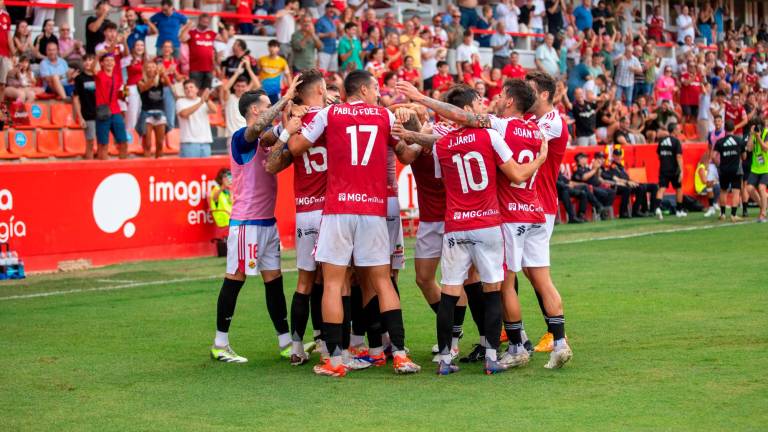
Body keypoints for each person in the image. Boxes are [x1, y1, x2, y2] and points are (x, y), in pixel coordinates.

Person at [290, 70, 422, 377]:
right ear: (362, 89)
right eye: (375, 88)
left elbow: (296, 149)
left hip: (338, 208)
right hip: (373, 209)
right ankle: (400, 355)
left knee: (334, 284)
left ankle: (335, 361)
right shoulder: (384, 117)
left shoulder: (329, 114)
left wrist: (291, 124)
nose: (378, 93)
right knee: (382, 282)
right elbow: (405, 154)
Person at [209, 76, 303, 365]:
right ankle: (220, 343)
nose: (271, 107)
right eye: (267, 105)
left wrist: (291, 112)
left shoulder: (266, 139)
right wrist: (285, 100)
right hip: (246, 224)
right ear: (254, 111)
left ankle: (286, 342)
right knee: (235, 280)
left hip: (266, 223)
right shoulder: (241, 137)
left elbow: (278, 132)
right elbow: (262, 129)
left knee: (273, 281)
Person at [261, 70, 328, 365]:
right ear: (323, 89)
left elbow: (267, 149)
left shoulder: (296, 124)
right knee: (332, 282)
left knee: (304, 282)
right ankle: (330, 345)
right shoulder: (332, 118)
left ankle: (297, 347)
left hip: (305, 210)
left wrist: (287, 123)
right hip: (330, 211)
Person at [94, 54, 128, 160]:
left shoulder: (117, 77)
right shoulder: (98, 75)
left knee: (123, 141)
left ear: (114, 63)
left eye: (111, 60)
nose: (109, 62)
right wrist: (97, 56)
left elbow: (120, 95)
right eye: (107, 60)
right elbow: (92, 68)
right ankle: (102, 168)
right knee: (103, 143)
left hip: (116, 110)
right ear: (102, 63)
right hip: (103, 111)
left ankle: (123, 166)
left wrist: (125, 94)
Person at [713, 120, 746, 222]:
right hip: (736, 169)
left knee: (723, 191)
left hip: (723, 170)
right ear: (734, 129)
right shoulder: (739, 140)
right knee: (736, 191)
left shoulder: (720, 142)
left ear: (725, 129)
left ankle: (722, 214)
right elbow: (744, 156)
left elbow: (713, 156)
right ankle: (733, 215)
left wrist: (718, 165)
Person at [137, 61, 169, 159]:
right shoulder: (140, 81)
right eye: (148, 67)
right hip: (147, 114)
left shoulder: (160, 80)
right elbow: (145, 88)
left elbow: (168, 83)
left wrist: (163, 73)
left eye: (153, 67)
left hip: (160, 113)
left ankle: (158, 163)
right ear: (145, 70)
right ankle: (147, 164)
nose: (151, 69)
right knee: (148, 143)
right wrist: (154, 76)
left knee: (160, 143)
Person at [220, 58, 259, 139]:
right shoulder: (229, 98)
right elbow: (225, 88)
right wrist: (237, 73)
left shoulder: (248, 98)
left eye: (243, 86)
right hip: (232, 135)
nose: (240, 88)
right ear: (234, 86)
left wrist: (248, 68)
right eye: (238, 86)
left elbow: (257, 85)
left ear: (246, 87)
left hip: (246, 134)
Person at [176, 79, 216, 157]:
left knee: (206, 169)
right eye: (186, 88)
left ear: (197, 89)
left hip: (205, 142)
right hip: (189, 142)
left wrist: (207, 99)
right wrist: (201, 102)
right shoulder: (180, 101)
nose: (188, 89)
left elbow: (214, 110)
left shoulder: (204, 100)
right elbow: (184, 114)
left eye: (191, 87)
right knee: (188, 169)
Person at [655, 123, 686, 220]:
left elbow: (658, 155)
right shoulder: (676, 142)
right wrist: (681, 170)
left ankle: (657, 208)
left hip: (663, 169)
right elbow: (679, 156)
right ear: (674, 131)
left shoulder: (662, 141)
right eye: (678, 129)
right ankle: (679, 211)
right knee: (678, 189)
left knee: (662, 188)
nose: (679, 131)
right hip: (674, 170)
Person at [181, 13, 217, 90]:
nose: (205, 24)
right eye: (204, 22)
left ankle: (204, 102)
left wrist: (222, 27)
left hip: (209, 68)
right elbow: (182, 38)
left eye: (207, 22)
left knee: (207, 91)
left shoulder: (211, 33)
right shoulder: (192, 32)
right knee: (195, 90)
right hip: (195, 68)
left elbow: (225, 39)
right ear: (199, 21)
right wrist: (188, 26)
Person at [73, 54, 98, 159]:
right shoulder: (79, 78)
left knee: (101, 143)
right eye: (86, 60)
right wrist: (80, 117)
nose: (88, 63)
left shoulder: (98, 76)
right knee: (90, 142)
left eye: (90, 60)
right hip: (87, 114)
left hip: (100, 114)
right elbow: (75, 99)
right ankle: (90, 165)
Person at [745, 120, 768, 223]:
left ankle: (763, 213)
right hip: (755, 168)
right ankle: (764, 206)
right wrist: (751, 134)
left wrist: (758, 136)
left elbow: (765, 148)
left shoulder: (766, 134)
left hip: (766, 168)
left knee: (761, 187)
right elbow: (749, 149)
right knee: (749, 188)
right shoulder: (753, 134)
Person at [258, 39, 291, 104]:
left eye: (274, 46)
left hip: (276, 91)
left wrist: (291, 89)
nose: (272, 48)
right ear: (268, 47)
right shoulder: (261, 59)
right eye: (270, 46)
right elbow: (257, 74)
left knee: (275, 110)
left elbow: (288, 76)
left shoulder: (283, 61)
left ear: (278, 48)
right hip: (262, 91)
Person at [315, 4, 338, 73]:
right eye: (329, 8)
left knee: (332, 72)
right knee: (322, 72)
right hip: (324, 50)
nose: (331, 9)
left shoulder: (334, 19)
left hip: (334, 50)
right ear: (325, 9)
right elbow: (316, 35)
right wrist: (327, 35)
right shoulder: (321, 20)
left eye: (333, 8)